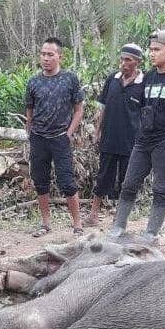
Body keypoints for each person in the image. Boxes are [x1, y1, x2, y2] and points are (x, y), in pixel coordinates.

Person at [108, 29, 165, 244]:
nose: (152, 54)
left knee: (160, 188)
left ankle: (151, 233)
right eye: (150, 50)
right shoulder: (148, 77)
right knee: (129, 183)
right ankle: (118, 226)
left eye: (156, 50)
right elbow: (141, 106)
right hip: (144, 139)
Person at [24, 37, 85, 236]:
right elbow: (29, 113)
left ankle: (77, 224)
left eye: (50, 54)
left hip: (60, 138)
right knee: (40, 180)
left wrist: (68, 133)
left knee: (67, 181)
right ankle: (45, 223)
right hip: (39, 139)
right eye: (43, 54)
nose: (46, 58)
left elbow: (78, 110)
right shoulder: (33, 81)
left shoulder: (70, 79)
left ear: (60, 56)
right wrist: (31, 133)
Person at [85, 43, 145, 227]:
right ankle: (93, 215)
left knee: (127, 180)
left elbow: (146, 113)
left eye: (128, 60)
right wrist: (98, 130)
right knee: (103, 176)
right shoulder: (112, 79)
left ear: (137, 62)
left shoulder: (144, 84)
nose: (123, 63)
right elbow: (103, 107)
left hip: (131, 141)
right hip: (109, 138)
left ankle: (120, 218)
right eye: (122, 59)